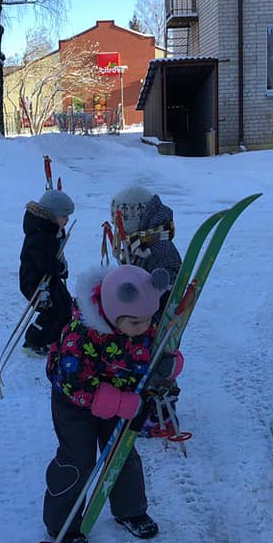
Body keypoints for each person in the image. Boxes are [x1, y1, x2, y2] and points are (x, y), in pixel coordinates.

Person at [42, 264, 183, 543]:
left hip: (121, 400)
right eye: (136, 323)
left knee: (123, 453)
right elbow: (74, 383)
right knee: (78, 460)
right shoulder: (82, 334)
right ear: (111, 311)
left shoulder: (142, 323)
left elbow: (158, 354)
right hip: (75, 404)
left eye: (148, 319)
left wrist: (169, 366)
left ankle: (130, 510)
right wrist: (122, 402)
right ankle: (62, 523)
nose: (145, 328)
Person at [110, 185, 183, 436]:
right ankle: (149, 409)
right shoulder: (142, 240)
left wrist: (158, 284)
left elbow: (172, 272)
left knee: (158, 367)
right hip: (142, 318)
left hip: (160, 318)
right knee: (141, 363)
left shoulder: (158, 244)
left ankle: (160, 415)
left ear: (133, 217)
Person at [19, 188, 75, 356]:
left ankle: (54, 338)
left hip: (49, 279)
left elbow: (54, 254)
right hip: (35, 282)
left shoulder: (49, 230)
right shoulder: (39, 234)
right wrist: (60, 268)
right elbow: (45, 262)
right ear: (52, 214)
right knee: (53, 311)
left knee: (66, 306)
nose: (67, 220)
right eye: (64, 216)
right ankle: (33, 341)